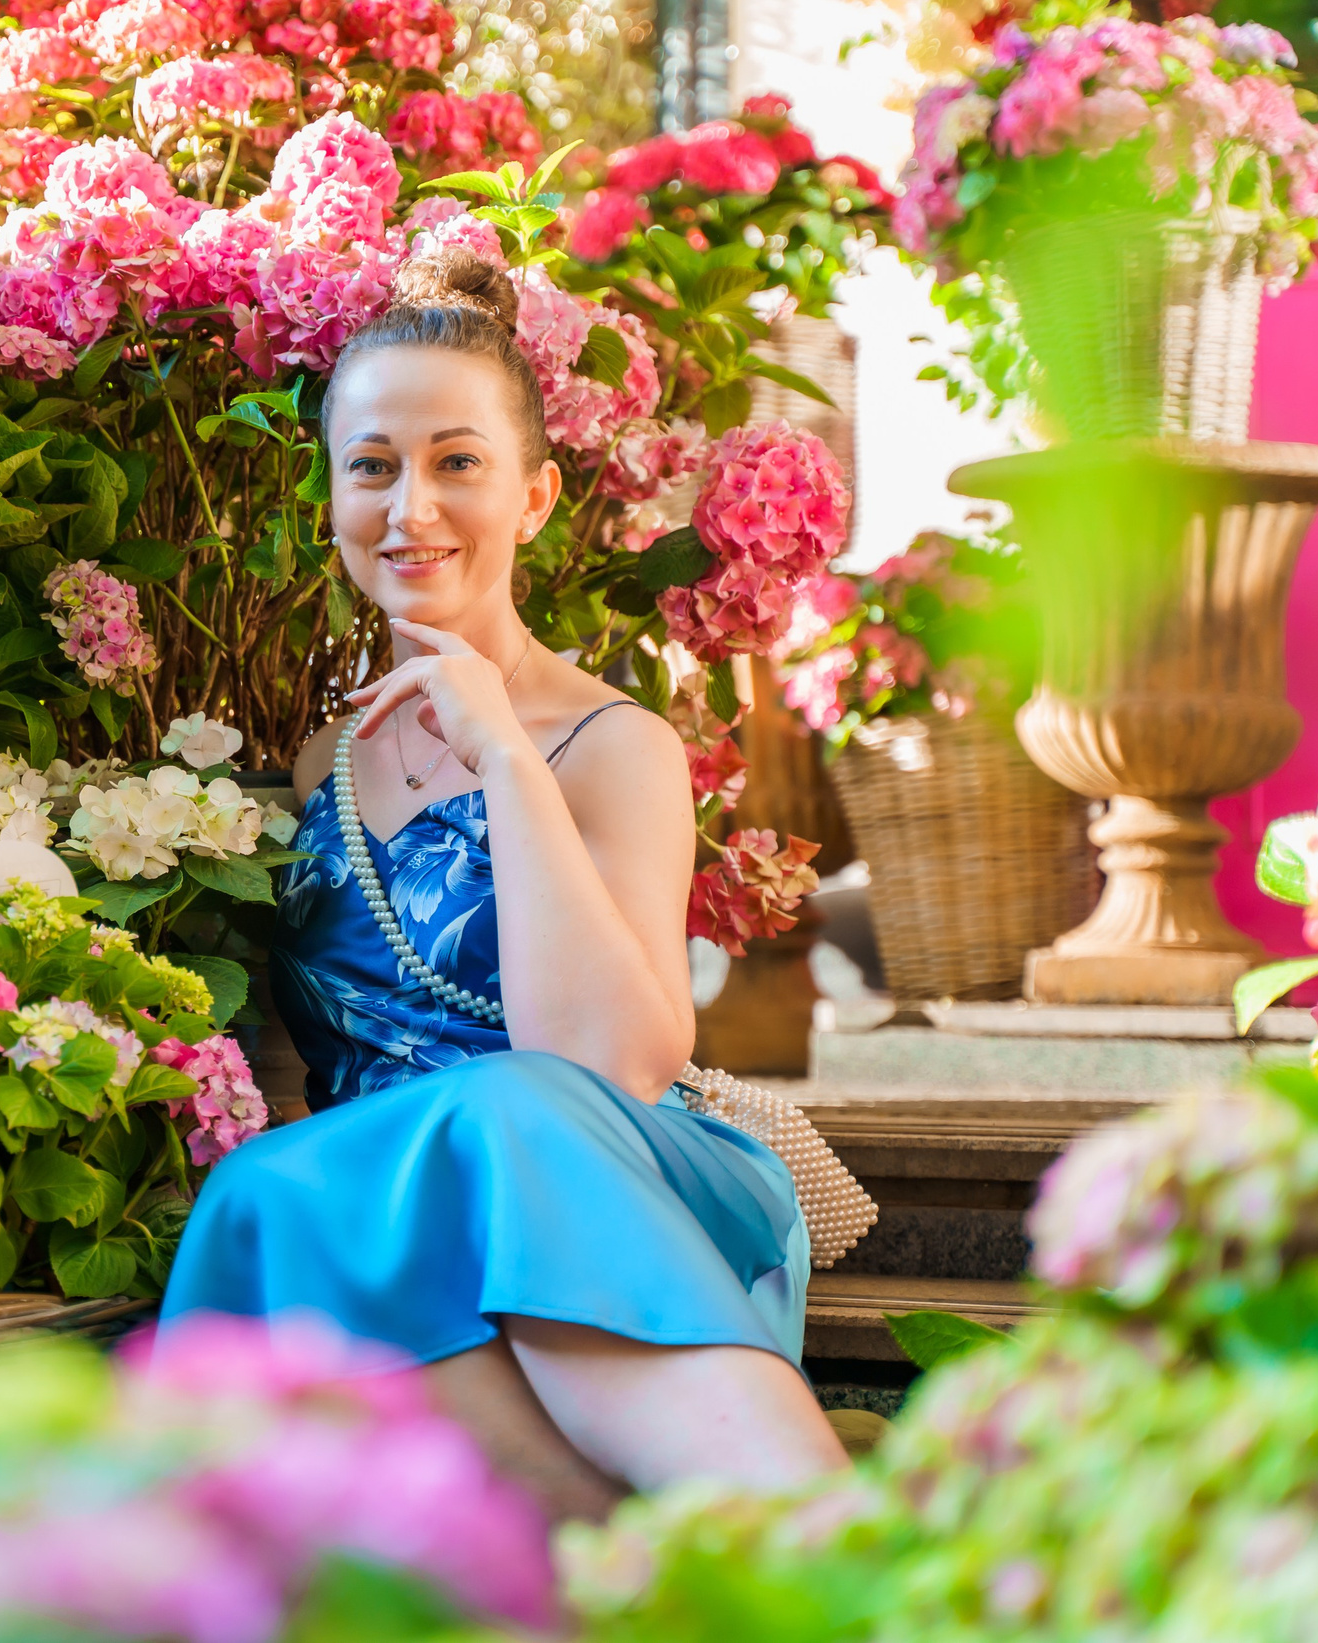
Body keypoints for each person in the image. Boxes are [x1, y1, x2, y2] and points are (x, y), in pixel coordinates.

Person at [161, 250, 848, 1522]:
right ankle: (686, 1567)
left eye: (457, 462)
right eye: (372, 466)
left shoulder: (612, 744)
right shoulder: (324, 760)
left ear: (534, 498)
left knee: (497, 1110)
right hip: (377, 1227)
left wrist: (504, 757)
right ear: (332, 496)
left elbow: (609, 1065)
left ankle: (816, 1533)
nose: (410, 505)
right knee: (267, 1189)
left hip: (591, 1190)